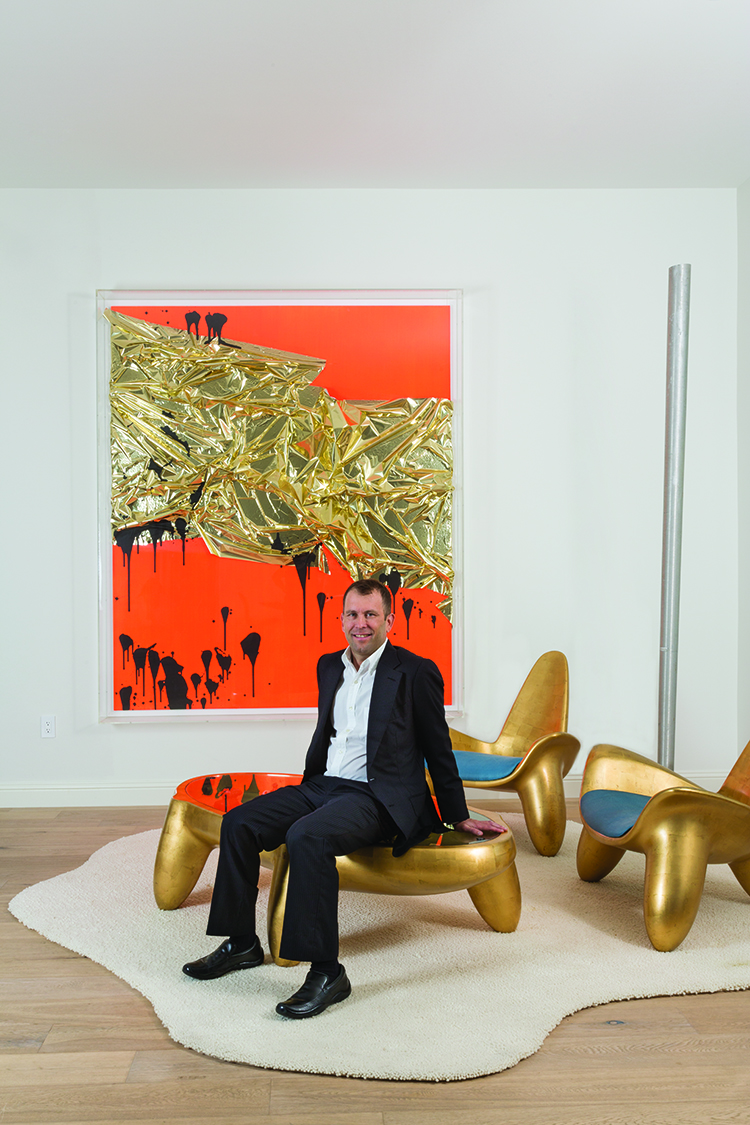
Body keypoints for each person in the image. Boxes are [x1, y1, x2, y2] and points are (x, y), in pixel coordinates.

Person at [183, 578, 506, 1018]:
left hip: (377, 796)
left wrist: (456, 815)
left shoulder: (415, 671)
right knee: (238, 823)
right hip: (322, 785)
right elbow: (330, 736)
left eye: (371, 614)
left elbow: (438, 747)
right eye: (353, 614)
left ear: (389, 620)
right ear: (341, 620)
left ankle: (327, 972)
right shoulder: (328, 666)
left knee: (307, 838)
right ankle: (242, 943)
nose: (361, 623)